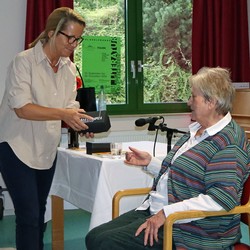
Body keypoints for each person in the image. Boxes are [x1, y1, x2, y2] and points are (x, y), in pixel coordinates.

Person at [85, 67, 250, 250]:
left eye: (193, 96)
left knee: (104, 242)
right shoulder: (197, 131)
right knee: (94, 236)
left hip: (191, 228)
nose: (188, 102)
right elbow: (184, 172)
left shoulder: (229, 143)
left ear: (211, 101)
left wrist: (166, 213)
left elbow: (221, 199)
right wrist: (150, 163)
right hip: (159, 211)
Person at [0, 7, 93, 250]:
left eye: (78, 39)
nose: (73, 44)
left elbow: (69, 106)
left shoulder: (69, 68)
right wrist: (64, 114)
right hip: (15, 147)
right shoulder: (24, 61)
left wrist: (81, 123)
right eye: (69, 37)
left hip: (46, 149)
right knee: (29, 215)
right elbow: (22, 108)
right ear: (52, 33)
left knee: (39, 213)